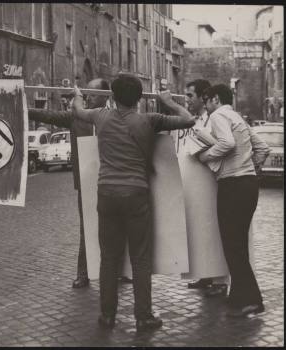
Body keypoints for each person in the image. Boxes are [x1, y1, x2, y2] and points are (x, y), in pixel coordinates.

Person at [72, 74, 195, 332]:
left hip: (106, 194)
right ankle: (143, 316)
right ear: (140, 98)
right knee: (140, 258)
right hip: (136, 194)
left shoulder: (100, 116)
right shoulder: (148, 121)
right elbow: (189, 119)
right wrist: (168, 101)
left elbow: (78, 110)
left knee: (109, 258)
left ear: (113, 97)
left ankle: (107, 316)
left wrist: (77, 96)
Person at [28, 79, 133, 288]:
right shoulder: (77, 118)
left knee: (117, 226)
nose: (88, 97)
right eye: (85, 94)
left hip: (112, 182)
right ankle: (83, 273)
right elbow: (47, 115)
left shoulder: (116, 116)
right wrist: (23, 108)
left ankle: (121, 270)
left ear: (105, 95)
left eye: (92, 93)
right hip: (86, 184)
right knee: (87, 229)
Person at [197, 84, 270, 317]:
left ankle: (253, 300)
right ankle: (238, 297)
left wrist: (207, 156)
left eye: (207, 101)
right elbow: (262, 148)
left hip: (232, 186)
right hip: (248, 185)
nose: (206, 107)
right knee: (237, 245)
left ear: (216, 99)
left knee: (233, 246)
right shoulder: (237, 116)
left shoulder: (218, 115)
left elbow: (227, 143)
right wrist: (250, 167)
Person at [183, 79, 229, 297]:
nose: (187, 100)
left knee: (216, 230)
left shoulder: (215, 118)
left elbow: (221, 145)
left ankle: (220, 279)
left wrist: (205, 156)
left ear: (204, 98)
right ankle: (206, 273)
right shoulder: (199, 118)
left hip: (215, 183)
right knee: (202, 230)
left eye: (190, 96)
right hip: (199, 186)